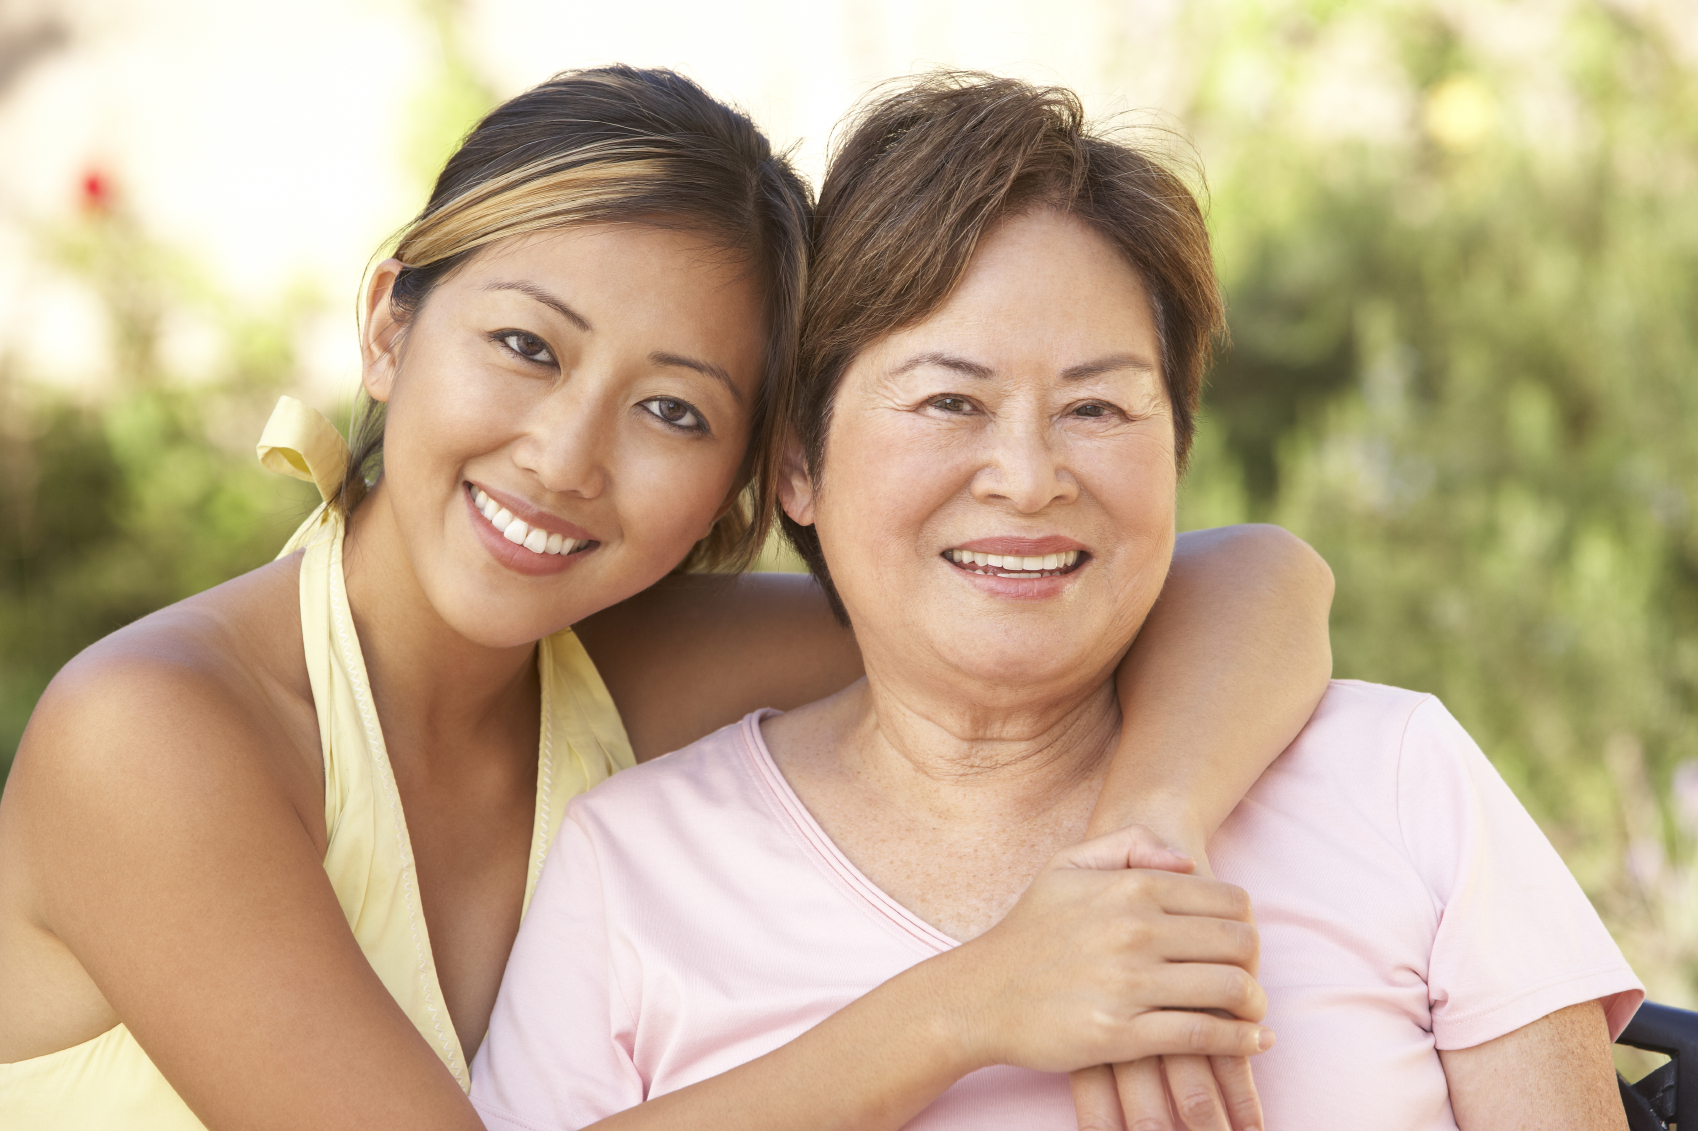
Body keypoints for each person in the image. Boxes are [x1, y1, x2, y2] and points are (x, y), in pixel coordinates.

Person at [0, 66, 1332, 1131]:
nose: (568, 455)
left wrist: (1142, 842)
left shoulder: (617, 663)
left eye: (670, 408)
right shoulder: (155, 734)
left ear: (755, 475)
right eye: (526, 346)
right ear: (389, 326)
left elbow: (1250, 575)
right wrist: (967, 1005)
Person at [471, 73, 1645, 1131]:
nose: (1030, 478)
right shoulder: (632, 871)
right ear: (797, 464)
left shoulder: (1396, 780)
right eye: (948, 402)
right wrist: (962, 1012)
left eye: (1099, 408)